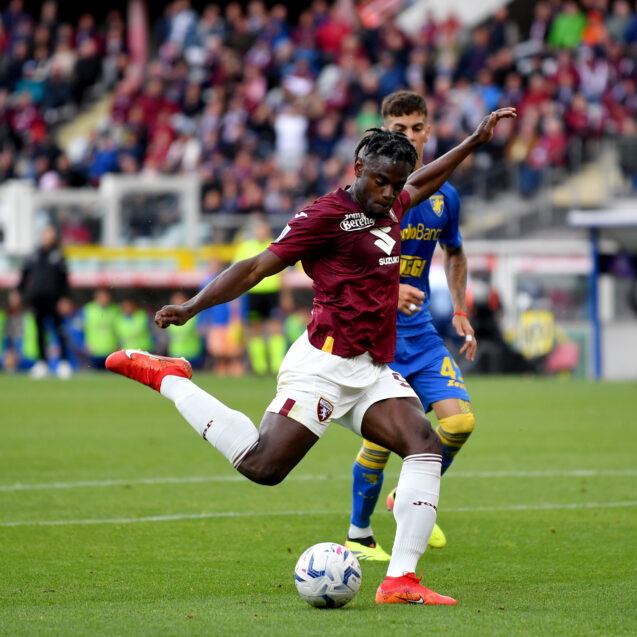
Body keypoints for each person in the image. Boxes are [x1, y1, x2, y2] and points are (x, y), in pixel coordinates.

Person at [105, 107, 516, 606]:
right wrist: (192, 306)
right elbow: (256, 266)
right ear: (358, 167)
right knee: (263, 466)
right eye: (383, 183)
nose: (391, 194)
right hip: (322, 367)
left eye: (397, 185)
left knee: (425, 445)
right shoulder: (324, 216)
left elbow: (424, 182)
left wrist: (473, 141)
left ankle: (400, 580)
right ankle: (169, 377)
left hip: (370, 368)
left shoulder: (392, 202)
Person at [346, 91, 478, 563]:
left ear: (428, 129)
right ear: (383, 132)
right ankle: (359, 534)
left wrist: (460, 309)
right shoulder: (370, 194)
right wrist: (389, 287)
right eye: (398, 130)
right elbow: (343, 259)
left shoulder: (445, 197)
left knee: (459, 422)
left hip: (419, 331)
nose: (409, 136)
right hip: (374, 332)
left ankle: (408, 494)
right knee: (381, 440)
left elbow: (455, 251)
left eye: (416, 128)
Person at [233, 216, 288, 376]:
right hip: (253, 293)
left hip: (272, 292)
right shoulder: (245, 247)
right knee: (255, 328)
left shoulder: (275, 244)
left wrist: (285, 295)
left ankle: (277, 365)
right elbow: (238, 273)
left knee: (275, 327)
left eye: (263, 229)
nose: (261, 232)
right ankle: (260, 367)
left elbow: (283, 274)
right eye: (258, 229)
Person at [17, 225, 73, 379]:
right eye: (46, 234)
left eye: (51, 234)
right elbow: (25, 274)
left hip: (54, 299)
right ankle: (42, 362)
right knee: (39, 331)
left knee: (59, 330)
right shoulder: (34, 254)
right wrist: (18, 291)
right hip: (37, 298)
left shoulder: (58, 254)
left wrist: (65, 298)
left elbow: (64, 279)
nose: (48, 237)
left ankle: (63, 362)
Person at [82, 288, 120, 369]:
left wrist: (118, 344)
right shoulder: (88, 309)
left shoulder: (115, 309)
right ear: (96, 297)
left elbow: (120, 329)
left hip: (111, 350)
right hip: (94, 350)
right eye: (102, 297)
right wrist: (84, 343)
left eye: (106, 297)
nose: (104, 299)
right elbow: (80, 329)